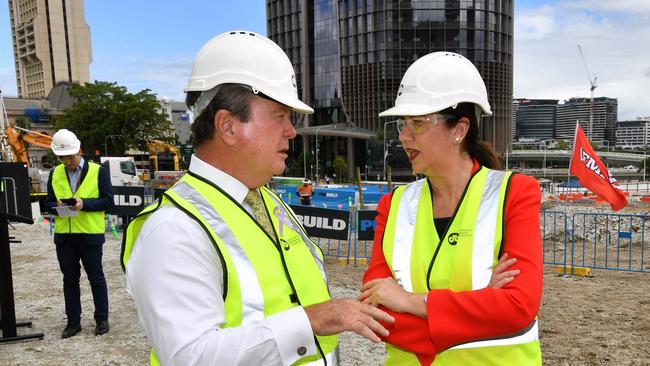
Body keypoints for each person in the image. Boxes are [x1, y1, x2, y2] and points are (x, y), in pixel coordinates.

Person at [121, 30, 393, 365]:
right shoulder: (175, 228)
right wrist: (312, 321)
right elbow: (190, 357)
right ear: (228, 126)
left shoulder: (269, 202)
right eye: (280, 116)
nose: (291, 131)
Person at [359, 52, 543, 365]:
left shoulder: (514, 193)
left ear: (459, 130)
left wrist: (410, 302)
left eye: (418, 123)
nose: (404, 137)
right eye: (403, 124)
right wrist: (482, 302)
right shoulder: (393, 206)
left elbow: (518, 306)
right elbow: (377, 314)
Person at [44, 129, 113, 338]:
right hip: (65, 237)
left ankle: (101, 319)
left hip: (90, 235)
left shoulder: (98, 171)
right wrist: (54, 205)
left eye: (70, 157)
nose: (67, 162)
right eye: (62, 158)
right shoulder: (55, 173)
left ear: (80, 151)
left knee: (96, 278)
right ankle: (73, 322)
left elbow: (108, 201)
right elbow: (47, 203)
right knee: (69, 280)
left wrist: (84, 205)